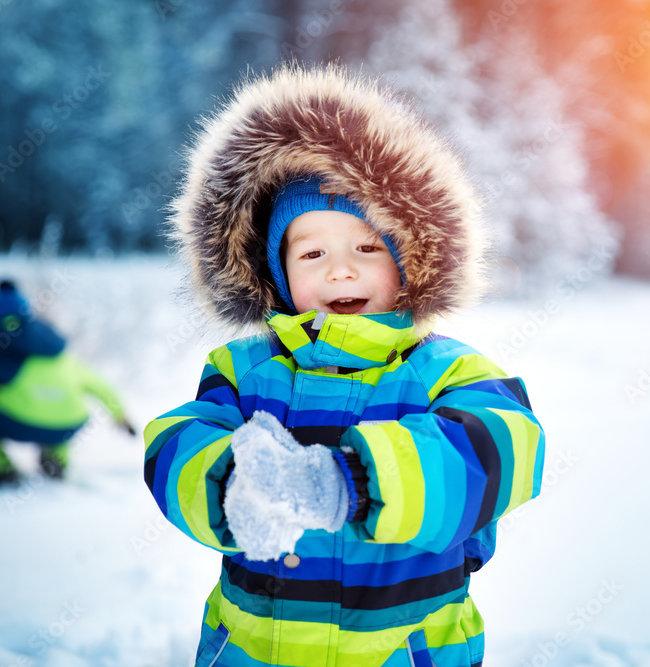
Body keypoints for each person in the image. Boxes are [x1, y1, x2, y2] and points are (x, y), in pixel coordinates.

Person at [144, 64, 545, 667]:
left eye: (367, 246)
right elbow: (172, 445)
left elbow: (505, 450)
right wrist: (230, 483)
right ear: (276, 273)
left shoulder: (448, 372)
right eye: (312, 253)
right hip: (253, 651)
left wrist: (351, 482)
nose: (340, 270)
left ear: (410, 258)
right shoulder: (245, 372)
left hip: (404, 650)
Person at [0, 279, 135, 486]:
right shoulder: (59, 353)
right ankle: (55, 461)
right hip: (69, 425)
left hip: (21, 423)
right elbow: (100, 385)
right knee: (58, 414)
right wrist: (121, 417)